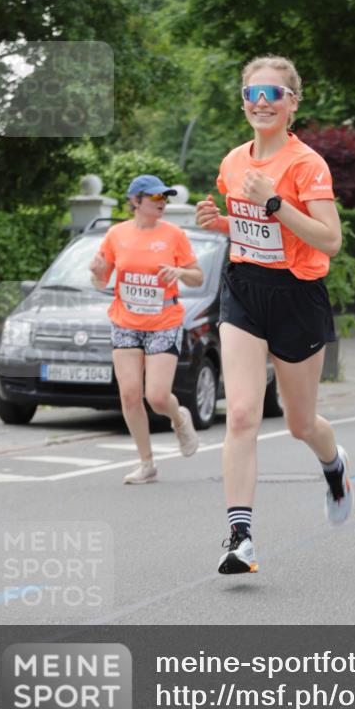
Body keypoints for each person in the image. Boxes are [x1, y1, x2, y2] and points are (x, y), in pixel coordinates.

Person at [195, 55, 353, 575]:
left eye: (273, 95)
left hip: (296, 295)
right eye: (253, 94)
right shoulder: (232, 162)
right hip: (244, 289)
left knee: (300, 423)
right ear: (244, 102)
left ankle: (334, 466)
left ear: (292, 104)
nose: (262, 103)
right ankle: (240, 536)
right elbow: (250, 233)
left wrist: (275, 204)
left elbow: (329, 239)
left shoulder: (307, 164)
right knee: (239, 413)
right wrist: (222, 223)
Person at [89, 175, 204, 484]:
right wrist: (97, 272)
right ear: (136, 201)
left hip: (163, 322)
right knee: (129, 395)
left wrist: (179, 271)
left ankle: (179, 419)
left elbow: (198, 277)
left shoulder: (174, 235)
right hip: (125, 321)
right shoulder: (116, 235)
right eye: (155, 198)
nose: (162, 202)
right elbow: (100, 281)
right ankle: (147, 463)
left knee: (156, 396)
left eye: (164, 197)